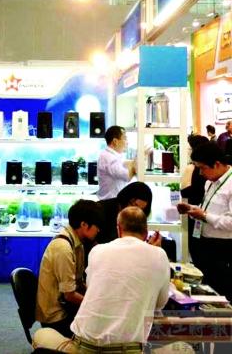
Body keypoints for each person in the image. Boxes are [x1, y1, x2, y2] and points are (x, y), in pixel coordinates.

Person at [33, 207, 170, 353]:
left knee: (40, 335)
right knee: (179, 345)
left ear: (119, 229)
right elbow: (160, 304)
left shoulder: (97, 251)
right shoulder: (159, 255)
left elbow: (91, 287)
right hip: (128, 349)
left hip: (83, 347)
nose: (98, 231)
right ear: (146, 232)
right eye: (97, 226)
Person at [36, 199, 102, 338]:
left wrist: (96, 296)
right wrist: (95, 305)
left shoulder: (77, 243)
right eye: (97, 226)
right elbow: (69, 295)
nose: (98, 230)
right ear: (84, 225)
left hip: (65, 307)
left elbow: (78, 282)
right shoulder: (63, 248)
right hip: (57, 317)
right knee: (98, 330)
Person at [177, 142, 232, 301]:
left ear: (217, 164)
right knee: (207, 291)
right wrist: (192, 209)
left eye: (202, 168)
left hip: (224, 248)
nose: (200, 173)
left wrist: (204, 216)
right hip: (205, 244)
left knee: (222, 292)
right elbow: (208, 208)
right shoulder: (210, 182)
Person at [180, 134, 209, 263]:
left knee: (196, 248)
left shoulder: (191, 168)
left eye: (189, 149)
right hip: (203, 214)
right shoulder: (208, 170)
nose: (187, 151)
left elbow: (184, 191)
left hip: (195, 213)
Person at [97, 125, 136, 200]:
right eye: (125, 138)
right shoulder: (109, 157)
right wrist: (139, 159)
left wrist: (134, 163)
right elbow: (127, 176)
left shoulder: (112, 155)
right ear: (115, 141)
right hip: (111, 202)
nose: (127, 142)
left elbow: (125, 164)